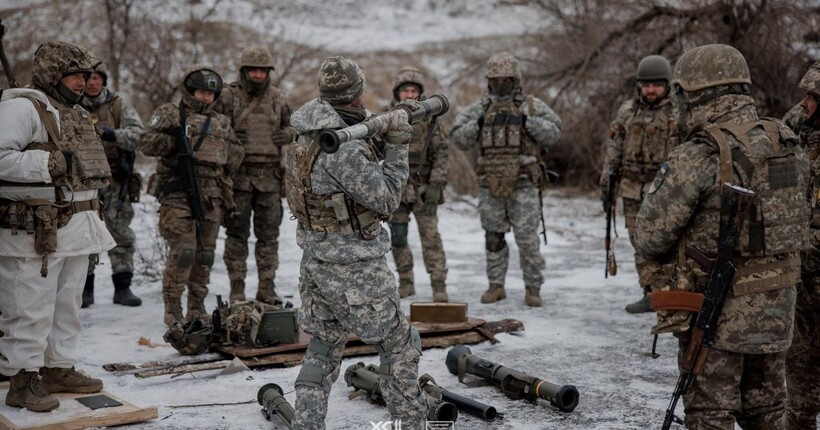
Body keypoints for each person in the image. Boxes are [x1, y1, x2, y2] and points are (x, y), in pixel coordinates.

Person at [635, 44, 809, 429]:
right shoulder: (787, 141)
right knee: (768, 410)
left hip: (718, 313)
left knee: (711, 413)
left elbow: (650, 237)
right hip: (779, 309)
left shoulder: (699, 153)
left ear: (697, 94)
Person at [285, 55, 430, 429]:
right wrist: (398, 145)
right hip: (356, 266)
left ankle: (306, 423)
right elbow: (386, 199)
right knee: (399, 346)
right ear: (357, 90)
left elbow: (345, 172)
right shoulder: (344, 150)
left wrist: (379, 129)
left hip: (316, 261)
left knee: (322, 348)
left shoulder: (306, 131)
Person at [0, 41, 114, 412]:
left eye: (86, 75)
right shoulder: (22, 107)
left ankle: (58, 368)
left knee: (67, 306)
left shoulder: (74, 112)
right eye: (74, 74)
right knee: (29, 308)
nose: (83, 82)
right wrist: (46, 164)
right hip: (35, 233)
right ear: (53, 74)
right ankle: (22, 380)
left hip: (76, 228)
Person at [450, 51, 562, 307]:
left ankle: (533, 288)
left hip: (524, 184)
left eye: (506, 80)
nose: (500, 84)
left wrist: (527, 122)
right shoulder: (480, 108)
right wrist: (479, 124)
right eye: (496, 80)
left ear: (515, 80)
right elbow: (458, 137)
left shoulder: (531, 106)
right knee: (493, 238)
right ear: (489, 81)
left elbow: (555, 131)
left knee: (527, 240)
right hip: (490, 184)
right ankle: (496, 286)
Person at [140, 66, 243, 327]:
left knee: (205, 254)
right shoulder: (170, 112)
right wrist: (174, 142)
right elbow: (147, 142)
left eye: (211, 93)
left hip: (211, 194)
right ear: (189, 91)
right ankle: (173, 309)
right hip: (178, 191)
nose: (206, 97)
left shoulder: (221, 122)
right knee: (184, 251)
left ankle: (196, 307)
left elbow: (235, 154)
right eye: (201, 91)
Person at [214, 46, 295, 304]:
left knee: (269, 238)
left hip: (270, 178)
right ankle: (237, 288)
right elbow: (211, 126)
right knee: (237, 236)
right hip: (238, 177)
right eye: (253, 70)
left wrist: (288, 135)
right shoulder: (228, 96)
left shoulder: (278, 98)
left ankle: (266, 289)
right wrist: (228, 135)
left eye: (263, 70)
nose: (258, 75)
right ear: (244, 71)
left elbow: (292, 126)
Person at [600, 55, 679, 313]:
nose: (651, 90)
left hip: (667, 191)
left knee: (668, 243)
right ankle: (650, 293)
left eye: (656, 85)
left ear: (667, 85)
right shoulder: (627, 111)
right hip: (632, 188)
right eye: (646, 85)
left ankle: (674, 293)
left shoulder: (678, 112)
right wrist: (607, 182)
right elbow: (614, 149)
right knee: (639, 242)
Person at [80, 62, 144, 308]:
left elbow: (138, 136)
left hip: (116, 182)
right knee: (84, 234)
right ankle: (84, 290)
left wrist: (113, 135)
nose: (92, 82)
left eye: (97, 78)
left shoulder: (118, 105)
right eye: (88, 78)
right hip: (82, 183)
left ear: (103, 81)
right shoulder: (72, 106)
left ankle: (123, 287)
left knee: (121, 234)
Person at [387, 66, 450, 302]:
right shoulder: (387, 118)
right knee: (398, 238)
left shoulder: (430, 118)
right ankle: (406, 281)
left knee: (431, 237)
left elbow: (442, 153)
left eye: (414, 90)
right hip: (396, 190)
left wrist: (436, 186)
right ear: (398, 92)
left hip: (423, 189)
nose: (410, 95)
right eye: (405, 90)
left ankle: (438, 283)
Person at [787, 60, 820, 430]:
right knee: (799, 361)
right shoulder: (800, 131)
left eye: (814, 97)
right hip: (804, 276)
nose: (805, 103)